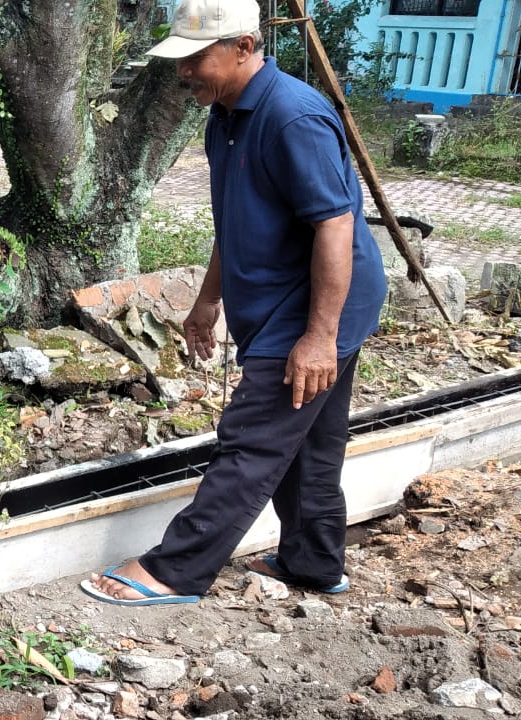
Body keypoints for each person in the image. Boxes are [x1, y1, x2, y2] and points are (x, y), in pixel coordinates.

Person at [82, 0, 387, 606]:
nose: (184, 72)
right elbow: (236, 219)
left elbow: (335, 226)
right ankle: (314, 564)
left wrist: (319, 336)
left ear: (244, 48)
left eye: (196, 58)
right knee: (312, 446)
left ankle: (175, 571)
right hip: (287, 302)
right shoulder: (224, 115)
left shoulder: (293, 117)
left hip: (314, 308)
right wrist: (205, 304)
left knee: (251, 440)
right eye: (180, 60)